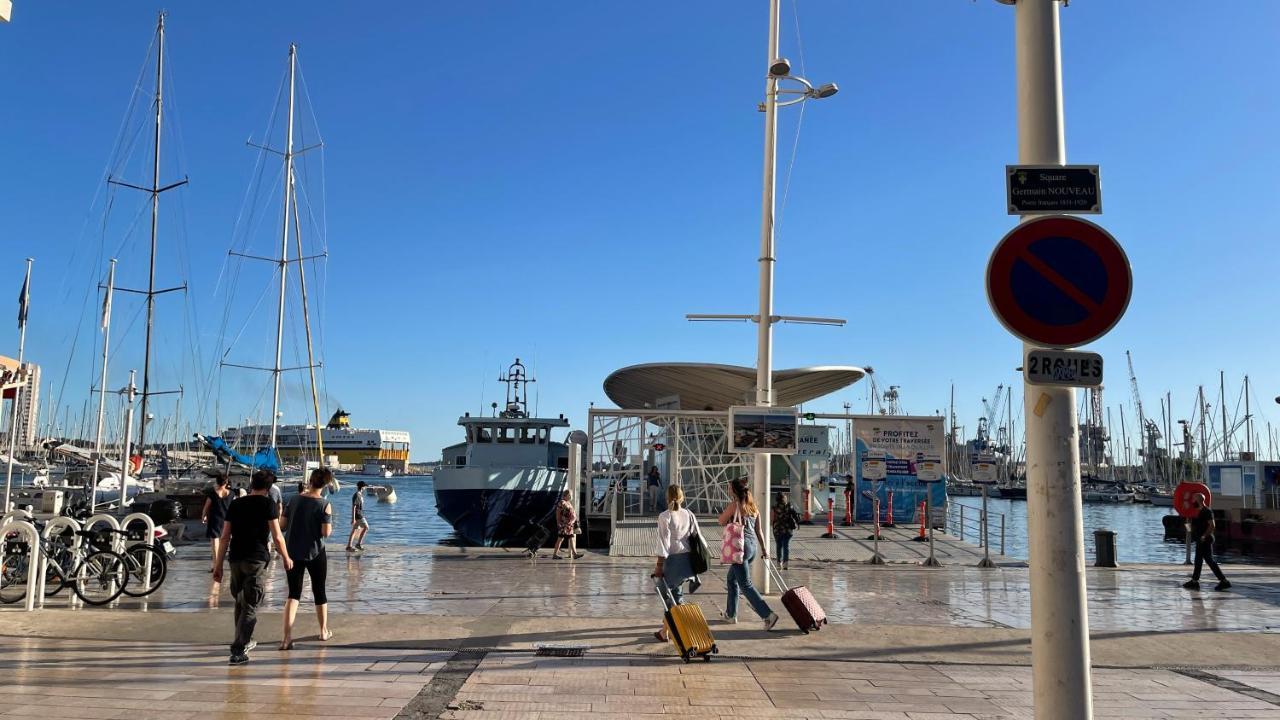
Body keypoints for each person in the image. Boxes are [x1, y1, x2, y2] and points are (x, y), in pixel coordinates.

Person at [213, 469, 293, 665]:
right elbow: (277, 536)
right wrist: (286, 557)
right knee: (250, 604)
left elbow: (224, 537)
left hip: (236, 558)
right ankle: (238, 649)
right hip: (256, 559)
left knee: (240, 602)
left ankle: (242, 639)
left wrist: (218, 565)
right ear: (267, 488)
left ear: (252, 485)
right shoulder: (268, 504)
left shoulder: (236, 503)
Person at [280, 467, 334, 650]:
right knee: (319, 591)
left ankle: (286, 638)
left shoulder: (294, 499)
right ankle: (323, 631)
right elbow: (325, 533)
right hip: (315, 552)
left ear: (310, 480)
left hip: (293, 552)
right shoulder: (324, 504)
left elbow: (282, 524)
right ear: (325, 484)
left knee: (293, 594)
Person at [718, 478, 779, 630]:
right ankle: (731, 614)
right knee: (731, 579)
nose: (728, 489)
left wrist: (728, 515)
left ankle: (768, 615)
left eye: (729, 487)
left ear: (734, 490)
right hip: (752, 548)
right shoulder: (753, 507)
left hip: (740, 548)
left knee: (746, 585)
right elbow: (759, 531)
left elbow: (721, 521)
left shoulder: (735, 506)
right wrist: (765, 550)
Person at [653, 484, 699, 642]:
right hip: (686, 561)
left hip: (672, 561)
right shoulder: (689, 514)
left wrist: (659, 565)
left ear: (667, 498)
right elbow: (695, 536)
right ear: (682, 497)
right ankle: (664, 632)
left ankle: (678, 630)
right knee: (676, 596)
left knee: (668, 597)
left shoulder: (664, 516)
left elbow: (663, 543)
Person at [1184, 493, 1230, 591]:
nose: (1192, 502)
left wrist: (1204, 536)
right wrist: (1187, 523)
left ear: (1198, 500)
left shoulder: (1207, 511)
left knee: (1209, 560)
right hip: (1200, 540)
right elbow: (1191, 529)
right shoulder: (1200, 512)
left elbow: (1212, 525)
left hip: (1205, 540)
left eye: (1193, 500)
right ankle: (1194, 581)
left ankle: (1224, 581)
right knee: (1199, 561)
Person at [201, 474, 233, 574]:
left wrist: (204, 516)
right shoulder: (231, 494)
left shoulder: (213, 494)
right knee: (226, 544)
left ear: (217, 482)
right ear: (226, 482)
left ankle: (216, 566)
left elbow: (207, 507)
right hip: (227, 521)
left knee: (215, 545)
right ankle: (225, 564)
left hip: (215, 520)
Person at [551, 489, 584, 560]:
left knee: (570, 538)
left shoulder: (568, 503)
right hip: (564, 525)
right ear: (566, 495)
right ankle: (555, 554)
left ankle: (574, 554)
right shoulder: (562, 502)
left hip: (569, 525)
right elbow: (558, 513)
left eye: (571, 495)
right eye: (569, 495)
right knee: (560, 539)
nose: (571, 496)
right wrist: (558, 523)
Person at [771, 491, 800, 570]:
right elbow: (795, 515)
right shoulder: (789, 506)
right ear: (784, 498)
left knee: (778, 546)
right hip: (787, 530)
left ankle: (778, 563)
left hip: (777, 529)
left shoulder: (774, 507)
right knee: (785, 546)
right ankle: (785, 564)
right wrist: (798, 523)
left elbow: (772, 519)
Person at [346, 480, 369, 552]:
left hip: (359, 514)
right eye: (365, 486)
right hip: (358, 515)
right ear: (362, 487)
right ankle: (358, 544)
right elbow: (354, 507)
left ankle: (349, 546)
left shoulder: (360, 494)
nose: (365, 488)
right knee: (366, 527)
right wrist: (353, 518)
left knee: (354, 530)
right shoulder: (357, 495)